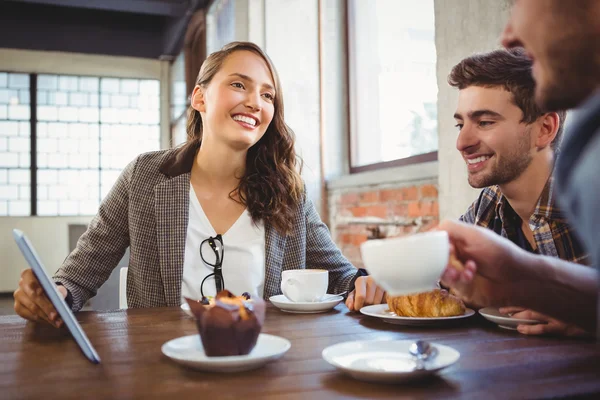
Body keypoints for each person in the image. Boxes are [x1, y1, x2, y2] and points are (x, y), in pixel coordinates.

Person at [13, 42, 384, 327]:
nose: (255, 102)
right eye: (239, 85)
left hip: (266, 365)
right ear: (200, 97)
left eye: (268, 95)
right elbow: (79, 274)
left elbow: (342, 276)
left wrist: (363, 284)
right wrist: (53, 294)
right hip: (161, 367)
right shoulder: (144, 176)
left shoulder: (289, 191)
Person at [440, 0, 600, 336]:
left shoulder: (588, 182)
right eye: (460, 125)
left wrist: (587, 317)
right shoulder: (491, 205)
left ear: (544, 129)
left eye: (484, 121)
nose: (462, 142)